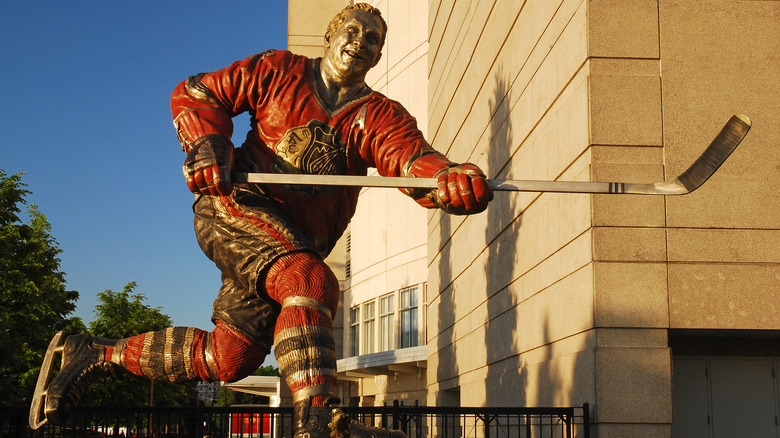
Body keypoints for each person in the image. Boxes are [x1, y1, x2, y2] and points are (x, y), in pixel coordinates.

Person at [31, 3, 492, 437]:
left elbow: (410, 160)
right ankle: (319, 420)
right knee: (309, 279)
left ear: (378, 56)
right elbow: (199, 93)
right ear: (329, 36)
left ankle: (96, 353)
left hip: (288, 248)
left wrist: (448, 180)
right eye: (351, 30)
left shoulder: (380, 115)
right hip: (237, 209)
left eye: (373, 39)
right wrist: (206, 143)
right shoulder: (279, 70)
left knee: (228, 359)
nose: (360, 42)